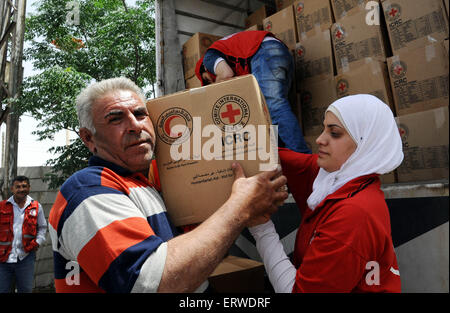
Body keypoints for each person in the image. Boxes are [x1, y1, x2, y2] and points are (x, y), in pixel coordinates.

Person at [48, 77, 288, 293]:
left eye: (140, 114)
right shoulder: (88, 190)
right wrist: (239, 209)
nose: (134, 125)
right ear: (88, 138)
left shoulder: (148, 185)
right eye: (115, 119)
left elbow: (201, 258)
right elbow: (151, 284)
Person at [248, 94, 403, 292]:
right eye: (323, 128)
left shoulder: (354, 216)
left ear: (365, 144)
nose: (320, 139)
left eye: (335, 133)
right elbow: (271, 156)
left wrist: (260, 227)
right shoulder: (333, 176)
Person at [194, 30, 311, 154]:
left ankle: (302, 156)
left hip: (264, 52)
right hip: (277, 52)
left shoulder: (209, 58)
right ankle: (285, 159)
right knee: (269, 114)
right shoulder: (231, 57)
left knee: (275, 108)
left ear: (204, 69)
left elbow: (226, 74)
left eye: (207, 80)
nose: (211, 83)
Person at [0, 176, 47, 293]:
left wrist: (38, 242)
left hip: (25, 257)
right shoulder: (2, 206)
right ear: (12, 189)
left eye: (24, 186)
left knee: (25, 290)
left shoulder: (36, 207)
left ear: (29, 188)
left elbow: (42, 228)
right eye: (18, 187)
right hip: (3, 259)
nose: (21, 189)